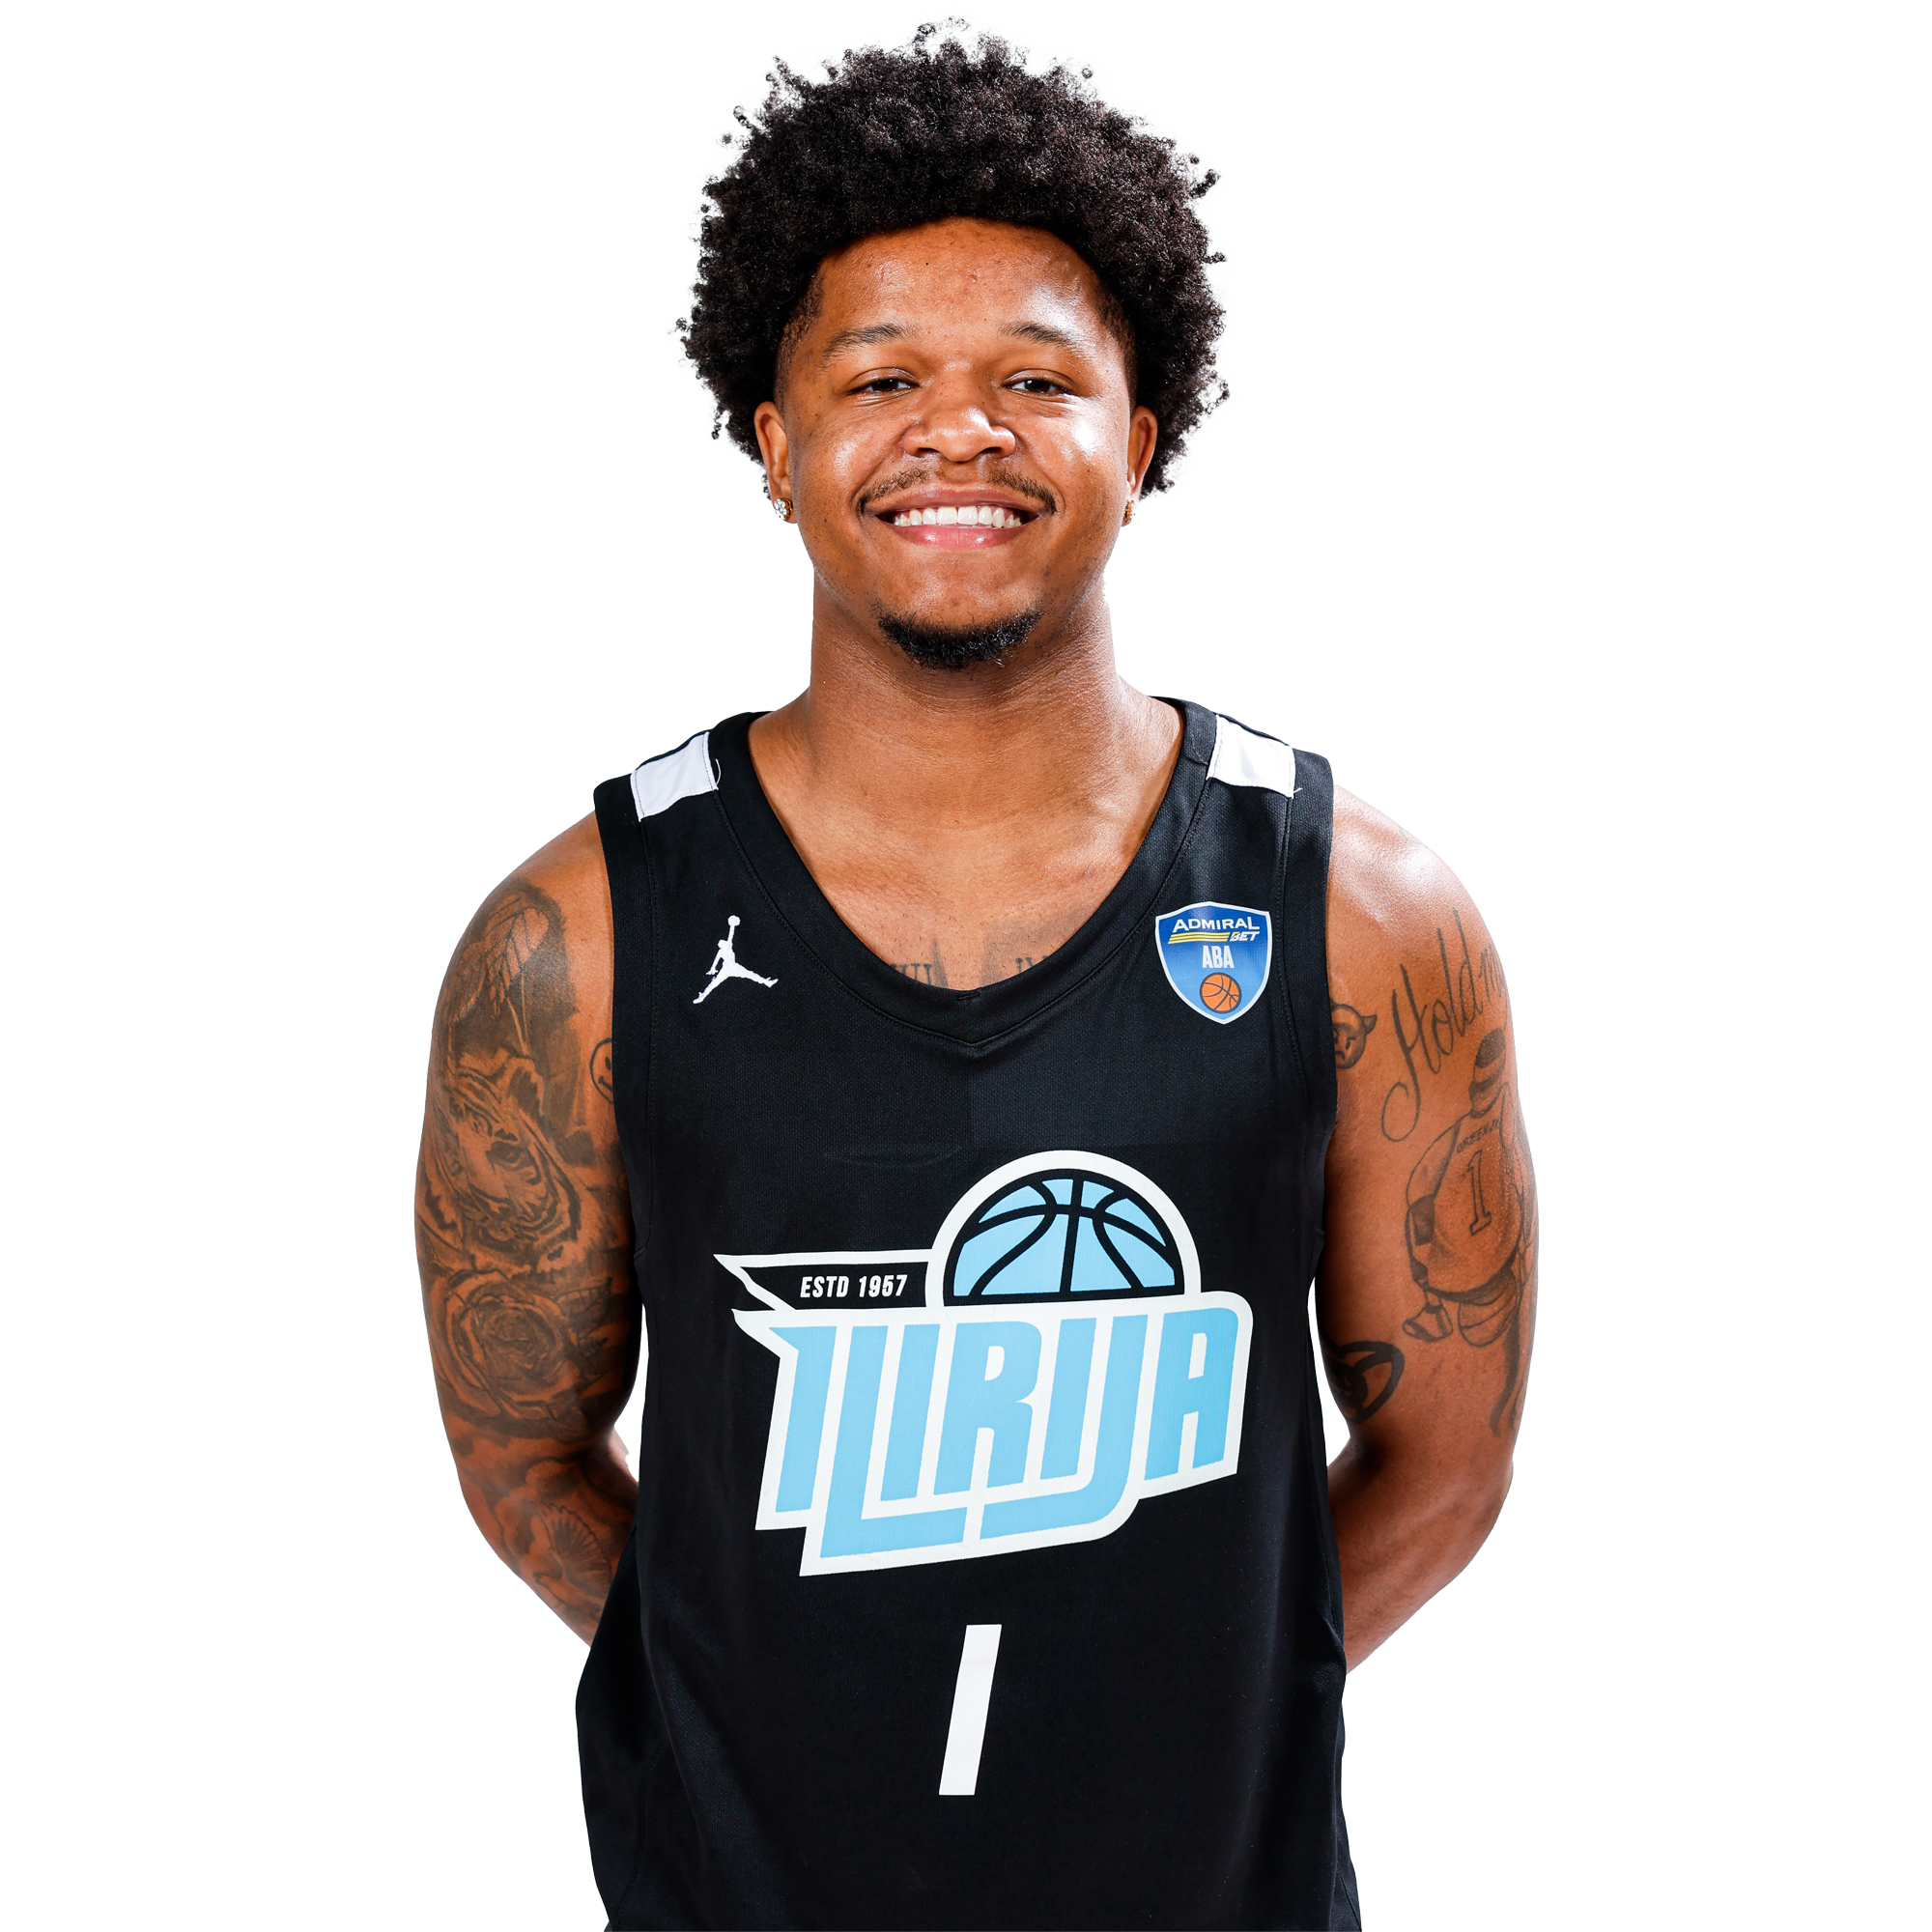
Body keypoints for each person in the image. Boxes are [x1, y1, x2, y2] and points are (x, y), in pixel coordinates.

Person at [416, 20, 1535, 1930]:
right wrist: (767, 1697)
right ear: (775, 445)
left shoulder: (1361, 914)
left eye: (1036, 377)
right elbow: (520, 1449)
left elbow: (1444, 1456)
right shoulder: (579, 938)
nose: (960, 432)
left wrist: (1186, 1697)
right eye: (879, 378)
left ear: (1139, 438)